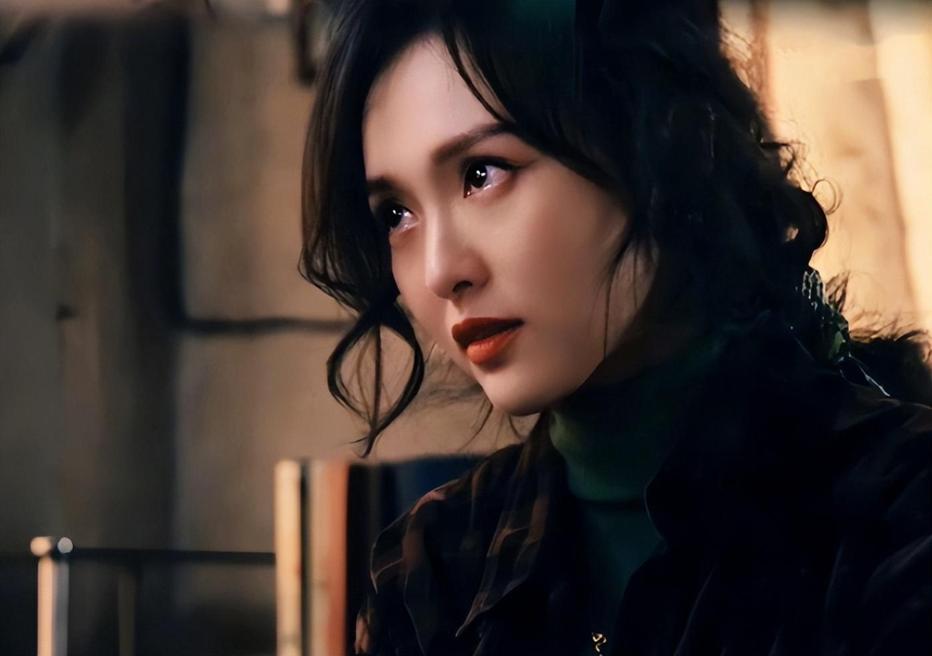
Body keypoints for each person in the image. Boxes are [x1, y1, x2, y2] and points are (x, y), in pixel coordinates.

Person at [300, 1, 932, 654]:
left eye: (481, 174)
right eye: (396, 213)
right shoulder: (431, 573)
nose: (439, 271)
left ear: (659, 142)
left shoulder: (895, 513)